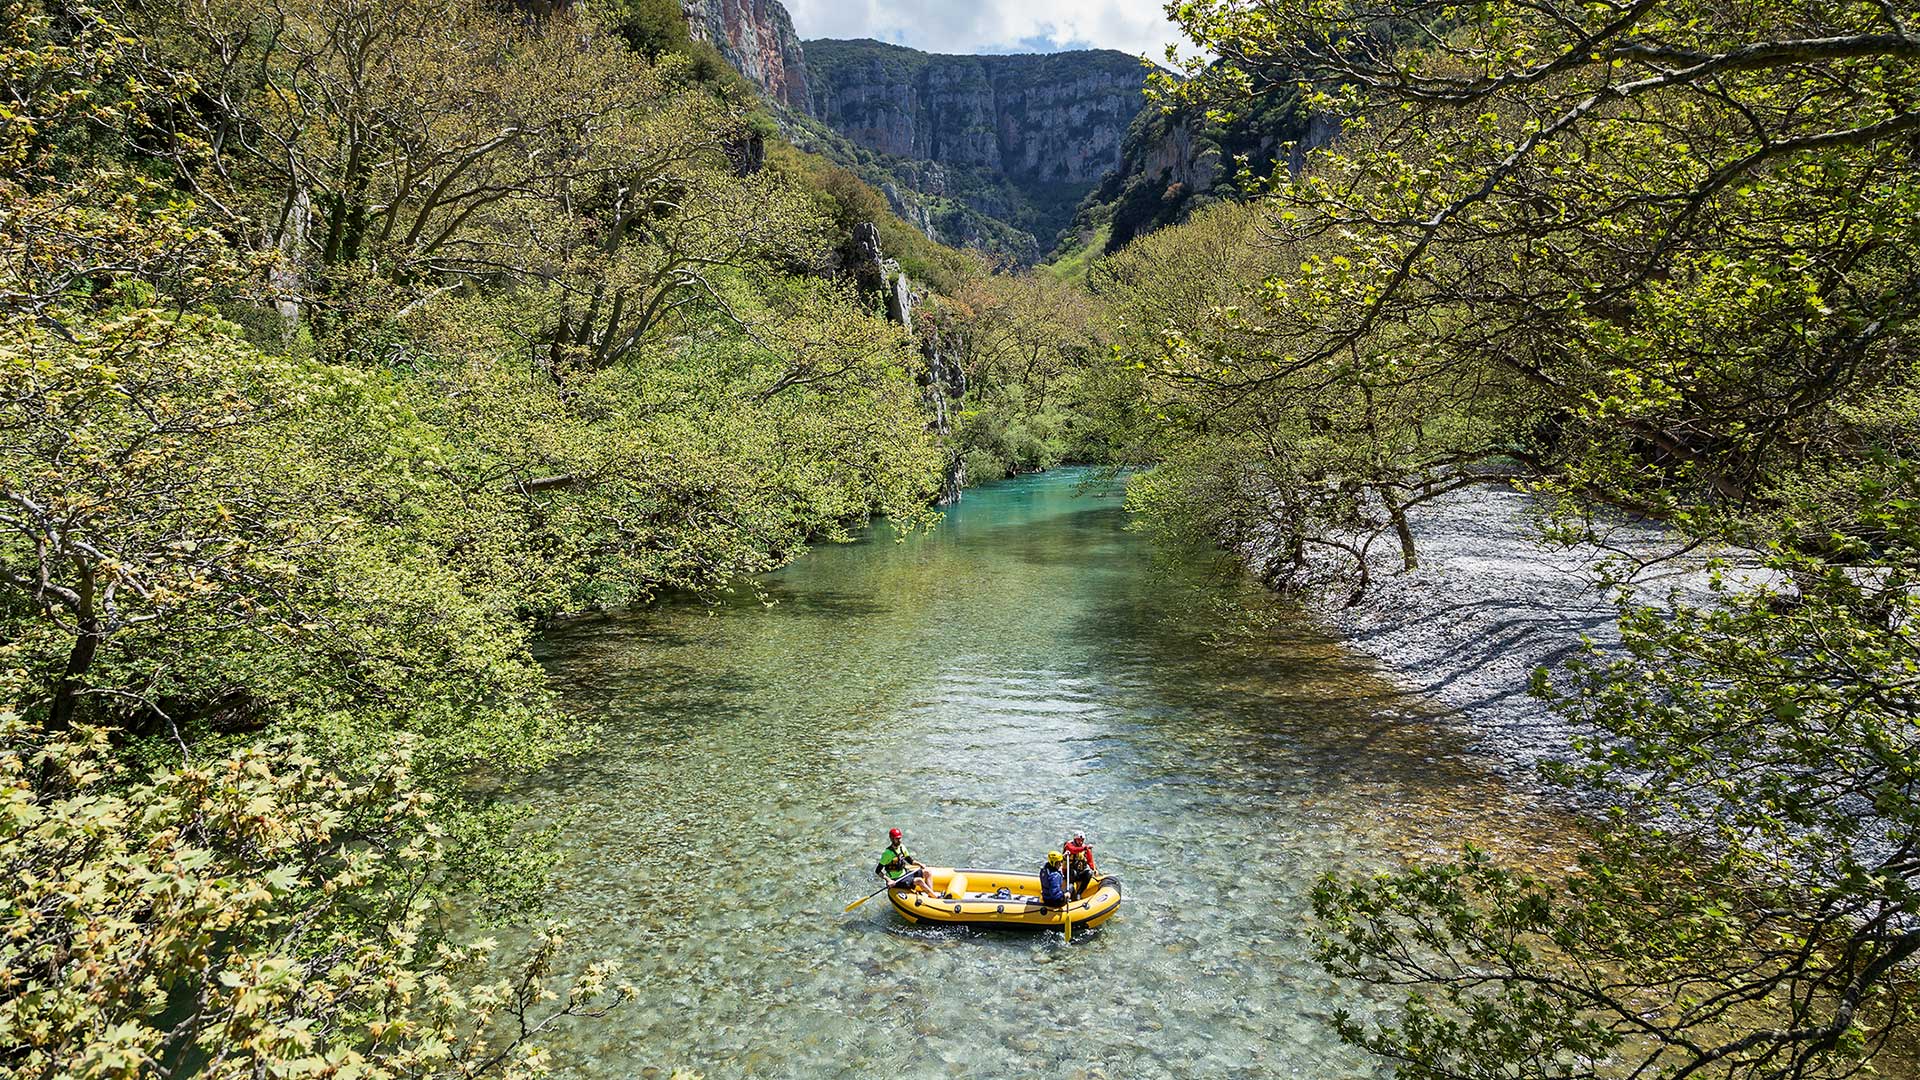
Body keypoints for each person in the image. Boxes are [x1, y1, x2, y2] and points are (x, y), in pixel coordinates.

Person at [876, 828, 935, 896]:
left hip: (905, 874)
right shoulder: (887, 853)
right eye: (897, 839)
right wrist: (888, 880)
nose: (899, 840)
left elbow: (911, 861)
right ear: (892, 839)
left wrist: (920, 864)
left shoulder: (902, 847)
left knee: (928, 872)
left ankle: (931, 894)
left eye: (900, 838)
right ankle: (936, 897)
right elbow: (877, 871)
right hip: (895, 879)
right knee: (919, 881)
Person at [1061, 831, 1097, 898]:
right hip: (1069, 872)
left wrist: (1093, 869)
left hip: (1080, 871)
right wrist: (1085, 848)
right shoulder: (1068, 845)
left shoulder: (1084, 848)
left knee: (1089, 873)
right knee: (1073, 872)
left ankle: (1079, 893)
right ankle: (1070, 891)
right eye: (1079, 840)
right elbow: (1073, 850)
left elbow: (1090, 860)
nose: (1080, 842)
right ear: (1075, 839)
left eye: (1082, 840)